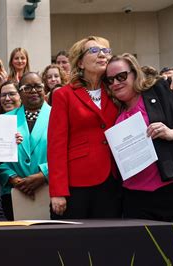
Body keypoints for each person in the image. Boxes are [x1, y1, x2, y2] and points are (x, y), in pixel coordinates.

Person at [106, 53, 173, 252]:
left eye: (121, 76)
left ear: (134, 73)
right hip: (136, 199)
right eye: (109, 80)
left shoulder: (165, 88)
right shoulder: (114, 107)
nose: (115, 83)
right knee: (144, 255)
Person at [48, 36, 121, 219]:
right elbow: (56, 145)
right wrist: (58, 191)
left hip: (113, 180)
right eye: (95, 51)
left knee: (108, 240)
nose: (102, 55)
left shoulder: (117, 90)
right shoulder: (63, 95)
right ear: (80, 62)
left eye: (106, 51)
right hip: (77, 183)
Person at [0, 72, 50, 220]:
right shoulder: (5, 119)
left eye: (38, 87)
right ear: (20, 92)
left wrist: (44, 174)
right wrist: (12, 177)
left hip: (49, 189)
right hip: (13, 191)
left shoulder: (58, 115)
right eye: (27, 88)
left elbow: (67, 152)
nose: (33, 91)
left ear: (44, 89)